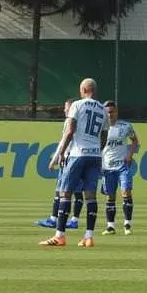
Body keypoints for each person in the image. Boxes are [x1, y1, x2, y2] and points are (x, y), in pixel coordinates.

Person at [40, 78, 108, 248]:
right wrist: (97, 150)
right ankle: (88, 237)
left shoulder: (77, 105)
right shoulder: (103, 109)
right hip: (95, 156)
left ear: (84, 89)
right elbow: (104, 136)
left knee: (65, 193)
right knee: (91, 196)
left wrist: (61, 153)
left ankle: (59, 236)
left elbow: (70, 131)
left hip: (78, 153)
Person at [35, 99, 82, 230]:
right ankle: (72, 220)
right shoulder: (78, 120)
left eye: (66, 107)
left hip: (69, 159)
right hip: (76, 157)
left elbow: (63, 142)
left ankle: (55, 219)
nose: (64, 110)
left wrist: (55, 158)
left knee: (61, 191)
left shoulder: (70, 121)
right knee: (76, 192)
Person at [100, 100, 139, 236]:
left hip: (123, 166)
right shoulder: (99, 127)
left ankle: (127, 224)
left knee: (126, 192)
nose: (110, 115)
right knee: (110, 197)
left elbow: (135, 140)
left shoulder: (126, 126)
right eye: (107, 112)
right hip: (107, 167)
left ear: (116, 112)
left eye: (112, 112)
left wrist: (130, 154)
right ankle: (110, 227)